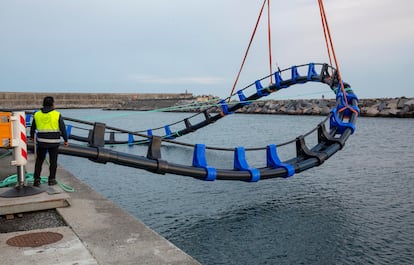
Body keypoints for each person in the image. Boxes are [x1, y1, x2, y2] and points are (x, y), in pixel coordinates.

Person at [30, 96, 69, 186]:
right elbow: (63, 128)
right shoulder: (57, 114)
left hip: (42, 142)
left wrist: (32, 137)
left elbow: (33, 128)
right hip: (54, 142)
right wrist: (66, 140)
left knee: (39, 161)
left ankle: (36, 180)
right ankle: (51, 179)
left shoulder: (37, 114)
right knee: (53, 161)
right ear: (52, 104)